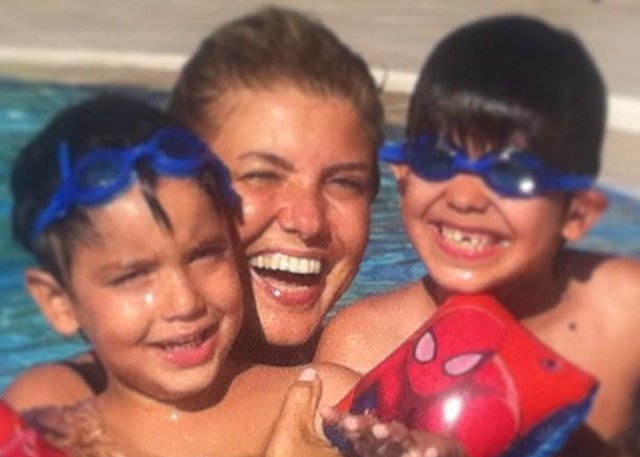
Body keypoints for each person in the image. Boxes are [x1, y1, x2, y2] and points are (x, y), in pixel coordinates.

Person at [1, 93, 503, 457]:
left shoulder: (323, 405)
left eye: (205, 254)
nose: (185, 302)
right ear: (59, 303)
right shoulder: (49, 447)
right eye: (134, 276)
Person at [4, 7, 384, 411]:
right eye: (261, 175)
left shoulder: (379, 363)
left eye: (344, 182)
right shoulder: (65, 412)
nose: (308, 221)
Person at [316, 15, 640, 452]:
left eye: (512, 172)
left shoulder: (625, 313)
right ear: (403, 173)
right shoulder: (363, 344)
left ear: (577, 213)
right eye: (437, 158)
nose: (465, 197)